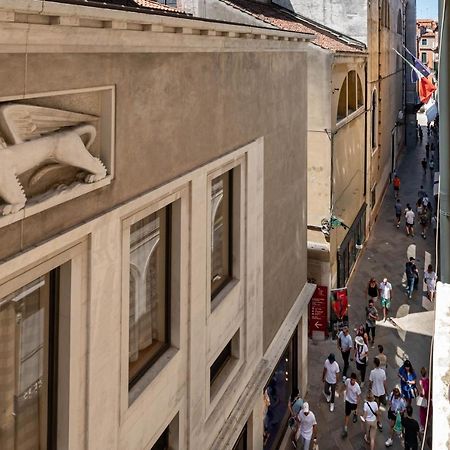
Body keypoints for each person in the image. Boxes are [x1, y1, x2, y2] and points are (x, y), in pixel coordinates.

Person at [369, 357, 387, 430]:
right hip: (382, 392)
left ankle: (376, 421)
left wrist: (369, 389)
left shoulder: (372, 372)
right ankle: (379, 422)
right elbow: (385, 383)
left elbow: (370, 382)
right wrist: (386, 391)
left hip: (375, 392)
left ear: (374, 364)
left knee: (376, 407)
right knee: (378, 407)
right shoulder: (383, 372)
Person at [342, 372, 361, 438]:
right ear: (350, 378)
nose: (352, 381)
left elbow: (358, 397)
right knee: (347, 414)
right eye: (352, 380)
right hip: (348, 400)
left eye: (354, 380)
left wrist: (357, 406)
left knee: (354, 410)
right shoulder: (347, 381)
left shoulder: (357, 387)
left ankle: (355, 414)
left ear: (355, 380)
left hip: (354, 402)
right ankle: (345, 428)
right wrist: (340, 391)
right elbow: (344, 386)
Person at [418, 367, 431, 433]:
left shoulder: (421, 381)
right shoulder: (428, 380)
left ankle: (423, 426)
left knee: (422, 413)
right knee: (427, 412)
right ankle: (426, 424)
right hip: (427, 398)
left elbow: (422, 392)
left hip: (423, 399)